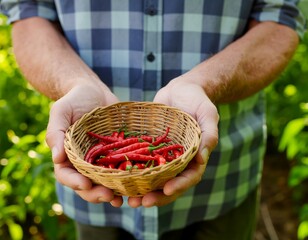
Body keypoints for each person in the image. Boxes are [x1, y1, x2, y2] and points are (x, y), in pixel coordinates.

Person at [0, 1, 305, 239]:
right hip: (95, 196)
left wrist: (203, 83)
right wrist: (75, 85)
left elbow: (281, 17)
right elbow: (28, 14)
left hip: (224, 179)